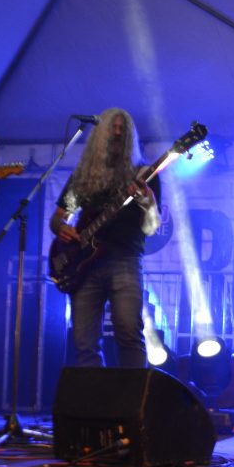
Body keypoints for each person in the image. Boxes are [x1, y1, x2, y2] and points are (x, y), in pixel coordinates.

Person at [50, 108, 160, 368]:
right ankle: (93, 394)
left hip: (125, 259)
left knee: (129, 333)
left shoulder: (143, 173)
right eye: (113, 128)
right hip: (83, 266)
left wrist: (147, 202)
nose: (118, 133)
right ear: (100, 135)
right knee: (84, 342)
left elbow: (152, 227)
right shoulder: (84, 177)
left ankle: (134, 394)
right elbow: (58, 218)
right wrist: (61, 227)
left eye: (123, 129)